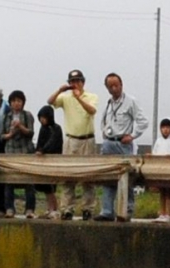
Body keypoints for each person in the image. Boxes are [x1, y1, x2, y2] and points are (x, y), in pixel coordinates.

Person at [96, 72, 148, 219]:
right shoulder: (108, 104)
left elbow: (143, 121)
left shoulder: (130, 101)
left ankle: (127, 210)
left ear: (121, 85)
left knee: (127, 177)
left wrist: (132, 136)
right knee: (108, 177)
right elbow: (104, 122)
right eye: (110, 86)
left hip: (123, 143)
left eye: (116, 85)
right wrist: (104, 133)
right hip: (109, 143)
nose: (114, 89)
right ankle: (106, 211)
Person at [48, 70, 99, 217]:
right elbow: (50, 101)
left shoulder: (91, 96)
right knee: (68, 176)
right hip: (71, 140)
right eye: (72, 81)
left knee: (89, 177)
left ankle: (88, 209)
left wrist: (79, 99)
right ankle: (67, 209)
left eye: (77, 81)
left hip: (87, 139)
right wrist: (60, 90)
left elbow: (92, 110)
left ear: (83, 82)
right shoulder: (65, 97)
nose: (75, 84)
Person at [0, 89, 35, 216]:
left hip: (26, 152)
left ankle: (30, 209)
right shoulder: (5, 117)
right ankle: (9, 208)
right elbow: (1, 136)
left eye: (19, 101)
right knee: (9, 182)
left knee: (29, 182)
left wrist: (20, 127)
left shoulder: (27, 115)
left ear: (23, 102)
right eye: (14, 101)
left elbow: (30, 133)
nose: (16, 103)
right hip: (10, 151)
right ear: (10, 103)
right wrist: (10, 134)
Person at [33, 103, 63, 217]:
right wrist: (38, 150)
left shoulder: (56, 128)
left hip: (53, 160)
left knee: (51, 187)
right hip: (43, 161)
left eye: (44, 118)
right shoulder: (43, 129)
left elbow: (53, 141)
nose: (42, 120)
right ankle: (49, 208)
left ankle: (54, 208)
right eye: (40, 118)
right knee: (45, 187)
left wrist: (43, 150)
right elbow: (40, 142)